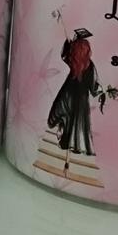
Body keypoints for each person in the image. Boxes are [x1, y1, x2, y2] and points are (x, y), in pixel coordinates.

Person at [46, 26, 100, 156]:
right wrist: (99, 91)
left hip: (68, 94)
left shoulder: (73, 61)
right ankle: (77, 145)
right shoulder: (90, 66)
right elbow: (93, 87)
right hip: (81, 99)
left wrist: (68, 45)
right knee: (79, 121)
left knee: (66, 116)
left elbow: (64, 56)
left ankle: (64, 138)